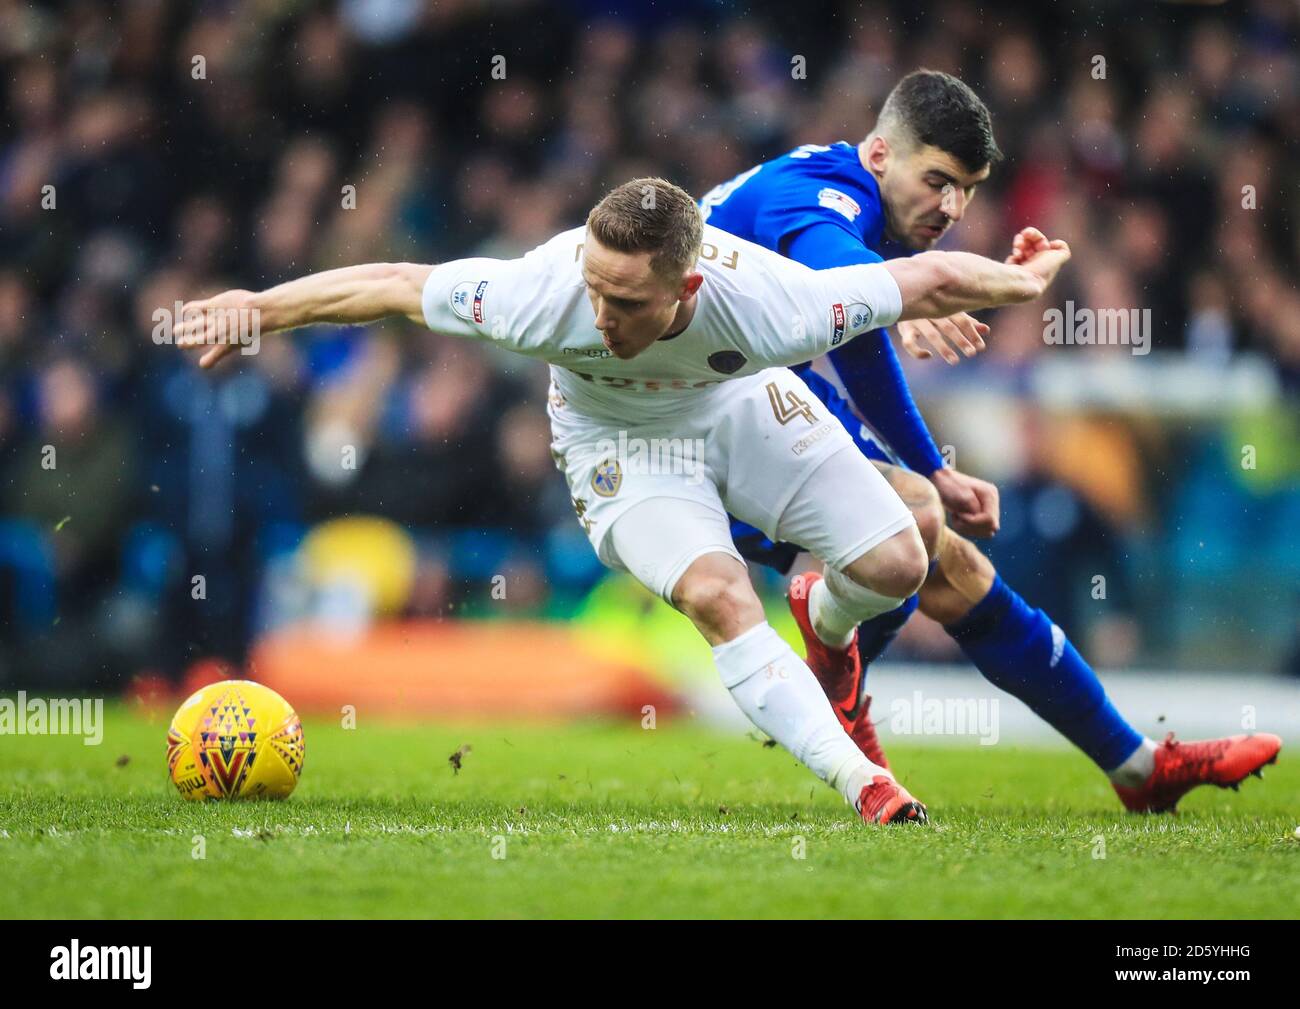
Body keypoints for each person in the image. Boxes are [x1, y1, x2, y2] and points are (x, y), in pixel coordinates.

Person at [175, 176, 1070, 825]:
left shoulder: (774, 305)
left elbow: (920, 281)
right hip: (620, 449)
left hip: (737, 404)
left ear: (685, 289)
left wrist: (1022, 281)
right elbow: (397, 284)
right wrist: (257, 305)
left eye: (625, 300)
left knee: (899, 560)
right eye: (595, 288)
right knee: (718, 594)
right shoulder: (544, 293)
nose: (599, 315)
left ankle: (823, 617)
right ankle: (867, 785)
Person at [700, 69, 1281, 812]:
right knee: (909, 525)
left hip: (752, 388)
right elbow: (845, 286)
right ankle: (835, 675)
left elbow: (852, 339)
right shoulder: (819, 199)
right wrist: (905, 298)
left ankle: (1137, 768)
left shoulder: (859, 209)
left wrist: (931, 464)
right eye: (938, 180)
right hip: (688, 409)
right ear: (879, 156)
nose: (952, 206)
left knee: (955, 568)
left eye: (967, 188)